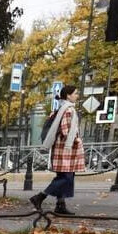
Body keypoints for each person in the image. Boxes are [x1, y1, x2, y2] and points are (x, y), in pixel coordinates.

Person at [29, 85, 84, 216]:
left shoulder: (61, 108)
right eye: (75, 93)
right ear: (68, 95)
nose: (77, 96)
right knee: (66, 177)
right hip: (66, 148)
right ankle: (40, 197)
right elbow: (66, 130)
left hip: (60, 148)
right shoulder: (69, 109)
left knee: (64, 176)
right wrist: (77, 140)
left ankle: (60, 204)